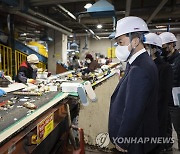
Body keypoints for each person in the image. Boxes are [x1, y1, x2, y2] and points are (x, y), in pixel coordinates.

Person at [108, 16, 159, 154]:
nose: (119, 47)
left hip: (136, 139)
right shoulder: (139, 62)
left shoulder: (140, 69)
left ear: (135, 41)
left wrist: (123, 140)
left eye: (121, 42)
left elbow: (133, 110)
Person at [144, 33, 173, 151]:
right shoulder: (146, 66)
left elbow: (163, 93)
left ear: (154, 48)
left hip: (158, 108)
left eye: (146, 47)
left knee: (157, 136)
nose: (144, 50)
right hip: (148, 107)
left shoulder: (165, 67)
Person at [159, 32, 180, 151]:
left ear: (172, 44)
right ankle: (167, 146)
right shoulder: (163, 60)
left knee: (178, 127)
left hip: (176, 101)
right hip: (165, 99)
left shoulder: (179, 60)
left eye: (164, 46)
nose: (163, 50)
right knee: (165, 125)